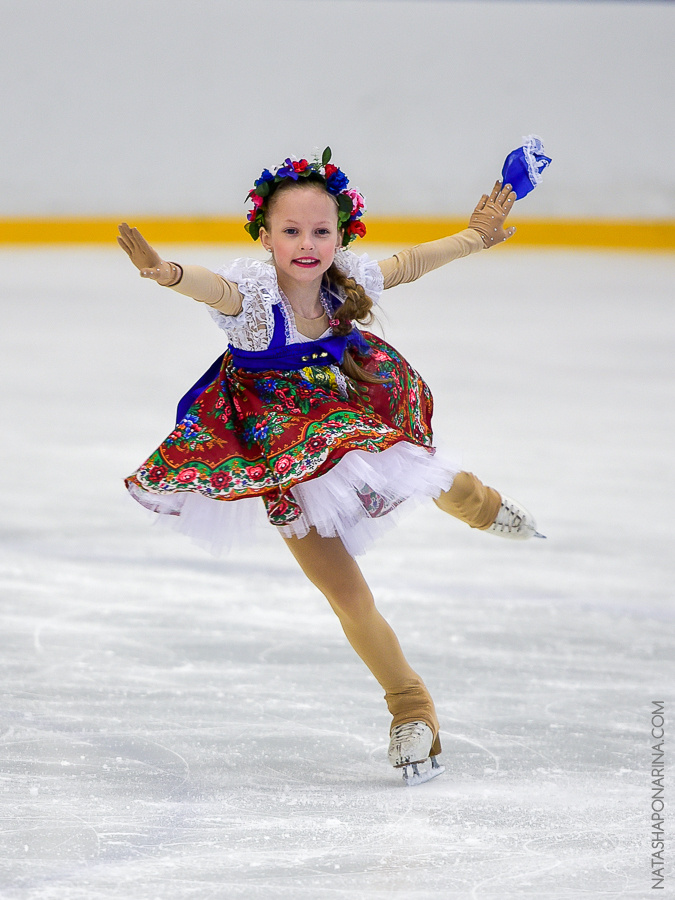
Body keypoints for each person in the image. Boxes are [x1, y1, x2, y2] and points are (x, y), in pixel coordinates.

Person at [117, 149, 543, 785]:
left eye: (321, 231)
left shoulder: (345, 284)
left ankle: (481, 505)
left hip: (349, 411)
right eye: (291, 230)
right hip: (284, 458)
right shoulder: (254, 301)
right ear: (265, 236)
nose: (307, 244)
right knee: (347, 598)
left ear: (341, 234)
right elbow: (214, 288)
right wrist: (169, 272)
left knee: (422, 471)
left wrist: (475, 237)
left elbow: (408, 263)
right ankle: (410, 706)